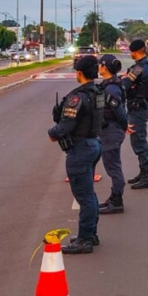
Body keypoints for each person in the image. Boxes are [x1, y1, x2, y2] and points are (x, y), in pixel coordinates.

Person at [49, 55, 104, 254]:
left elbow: (65, 125)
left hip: (80, 149)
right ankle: (90, 234)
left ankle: (84, 240)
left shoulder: (77, 97)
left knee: (84, 196)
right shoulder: (98, 92)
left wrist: (52, 133)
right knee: (89, 194)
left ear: (79, 73)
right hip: (94, 143)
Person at [123, 39, 148, 189]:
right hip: (140, 106)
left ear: (135, 51)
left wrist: (122, 79)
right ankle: (143, 173)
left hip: (138, 108)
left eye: (131, 51)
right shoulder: (147, 66)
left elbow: (125, 85)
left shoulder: (138, 68)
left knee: (139, 141)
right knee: (138, 140)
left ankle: (147, 176)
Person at [97, 55, 128, 214]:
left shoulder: (111, 88)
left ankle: (117, 201)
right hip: (109, 129)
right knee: (112, 164)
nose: (98, 67)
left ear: (105, 67)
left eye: (100, 64)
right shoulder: (109, 84)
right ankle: (114, 197)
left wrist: (124, 126)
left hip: (112, 131)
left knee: (113, 166)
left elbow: (119, 111)